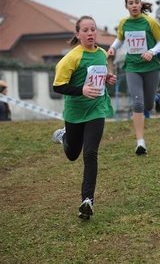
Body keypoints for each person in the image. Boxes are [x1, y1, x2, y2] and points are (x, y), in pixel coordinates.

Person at [51, 15, 116, 220]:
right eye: (85, 30)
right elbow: (58, 86)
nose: (90, 33)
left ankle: (87, 201)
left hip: (96, 109)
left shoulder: (102, 54)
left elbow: (97, 76)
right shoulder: (71, 58)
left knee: (90, 154)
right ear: (78, 34)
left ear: (96, 32)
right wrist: (82, 90)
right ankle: (64, 137)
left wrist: (107, 78)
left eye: (93, 29)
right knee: (72, 154)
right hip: (75, 112)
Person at [107, 0, 160, 155]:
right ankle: (140, 142)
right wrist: (112, 48)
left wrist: (151, 52)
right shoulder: (124, 23)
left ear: (140, 4)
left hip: (151, 67)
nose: (134, 5)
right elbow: (120, 39)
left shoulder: (150, 22)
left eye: (136, 2)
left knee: (148, 105)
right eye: (131, 3)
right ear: (126, 6)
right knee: (138, 104)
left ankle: (155, 98)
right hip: (132, 67)